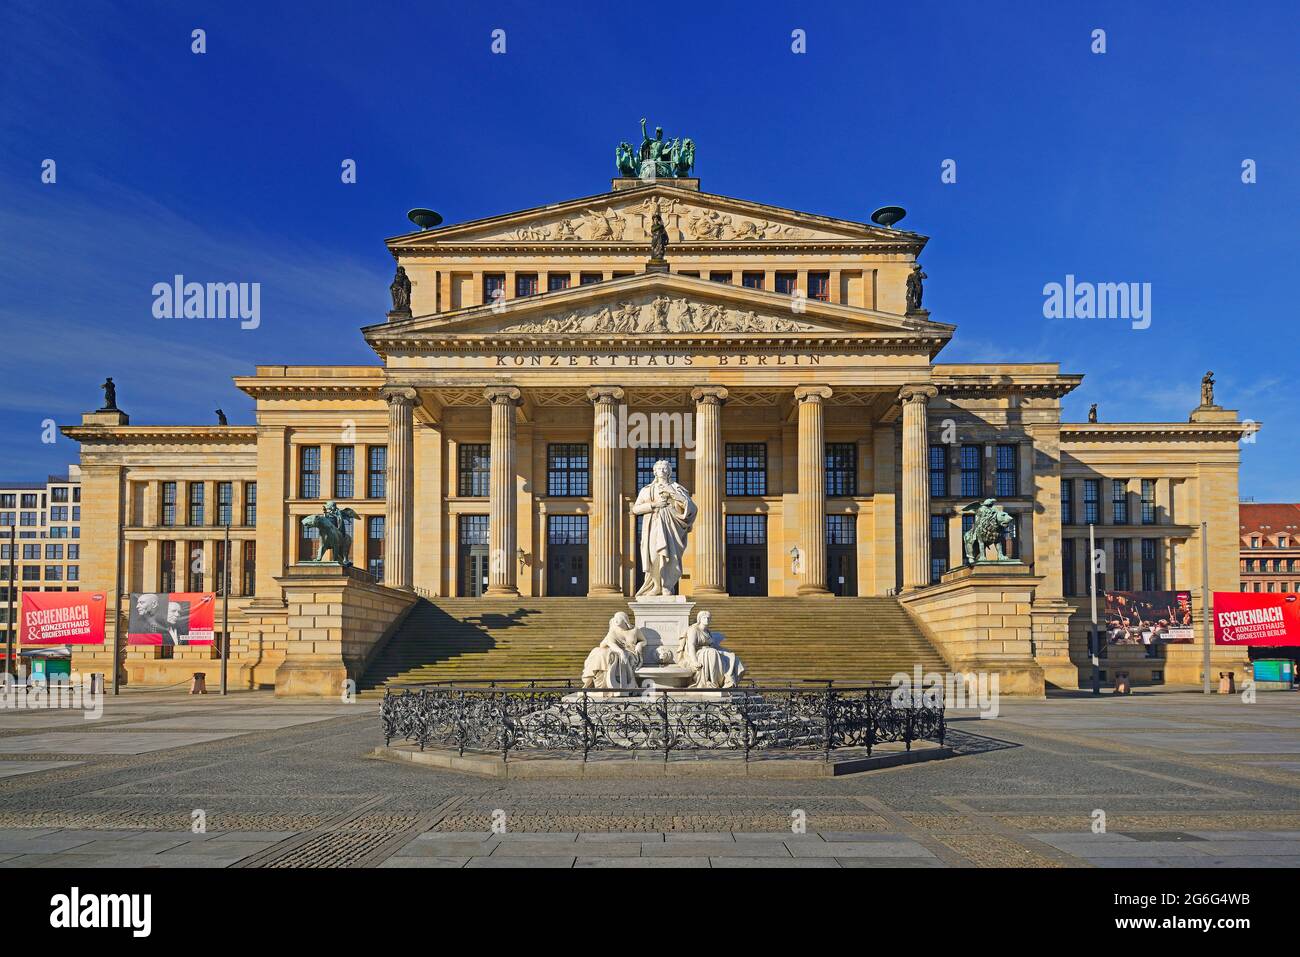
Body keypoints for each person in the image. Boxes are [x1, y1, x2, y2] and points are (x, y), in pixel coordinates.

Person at [631, 460, 697, 596]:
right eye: (659, 467)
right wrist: (654, 505)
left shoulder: (677, 488)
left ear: (669, 471)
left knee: (671, 558)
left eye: (665, 467)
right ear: (654, 471)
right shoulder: (646, 490)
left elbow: (691, 507)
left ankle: (667, 586)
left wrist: (673, 494)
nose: (662, 469)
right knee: (654, 558)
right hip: (653, 526)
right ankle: (656, 586)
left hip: (671, 527)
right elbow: (636, 509)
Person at [678, 611, 745, 690]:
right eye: (704, 618)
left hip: (709, 651)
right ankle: (712, 682)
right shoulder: (693, 629)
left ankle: (728, 680)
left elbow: (713, 645)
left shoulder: (707, 631)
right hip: (698, 653)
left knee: (732, 656)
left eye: (708, 618)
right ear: (699, 619)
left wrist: (727, 652)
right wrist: (694, 661)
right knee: (711, 652)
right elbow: (691, 646)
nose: (707, 620)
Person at [581, 613, 645, 691]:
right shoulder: (614, 630)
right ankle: (599, 680)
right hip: (617, 651)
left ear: (625, 619)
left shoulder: (635, 630)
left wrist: (639, 644)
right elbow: (611, 643)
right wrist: (621, 652)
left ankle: (601, 683)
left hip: (631, 653)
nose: (616, 620)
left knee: (605, 653)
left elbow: (644, 641)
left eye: (618, 618)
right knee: (599, 652)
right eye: (615, 618)